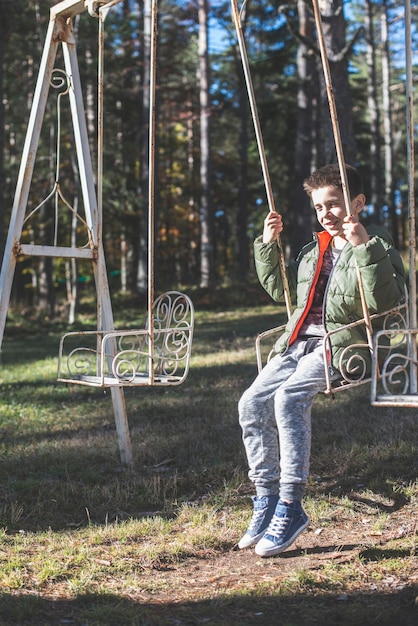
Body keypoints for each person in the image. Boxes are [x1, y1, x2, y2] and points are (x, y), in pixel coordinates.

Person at [238, 163, 405, 557]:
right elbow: (286, 295)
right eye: (319, 207)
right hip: (298, 342)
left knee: (289, 399)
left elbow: (387, 304)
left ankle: (291, 505)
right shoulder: (314, 250)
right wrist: (267, 245)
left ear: (357, 203)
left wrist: (363, 249)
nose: (327, 213)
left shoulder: (376, 244)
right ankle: (265, 499)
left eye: (334, 203)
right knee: (251, 403)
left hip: (344, 346)